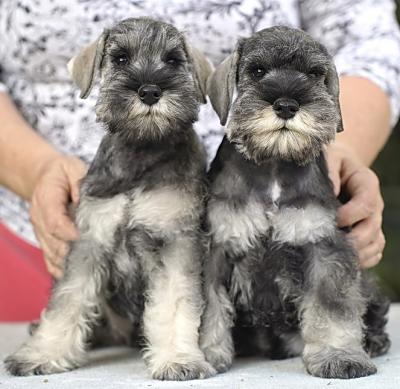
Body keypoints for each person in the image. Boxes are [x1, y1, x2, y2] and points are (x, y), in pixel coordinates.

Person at [0, 0, 399, 320]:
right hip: (34, 233)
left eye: (175, 62)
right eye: (119, 61)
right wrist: (33, 169)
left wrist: (342, 149)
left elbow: (370, 42)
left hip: (229, 225)